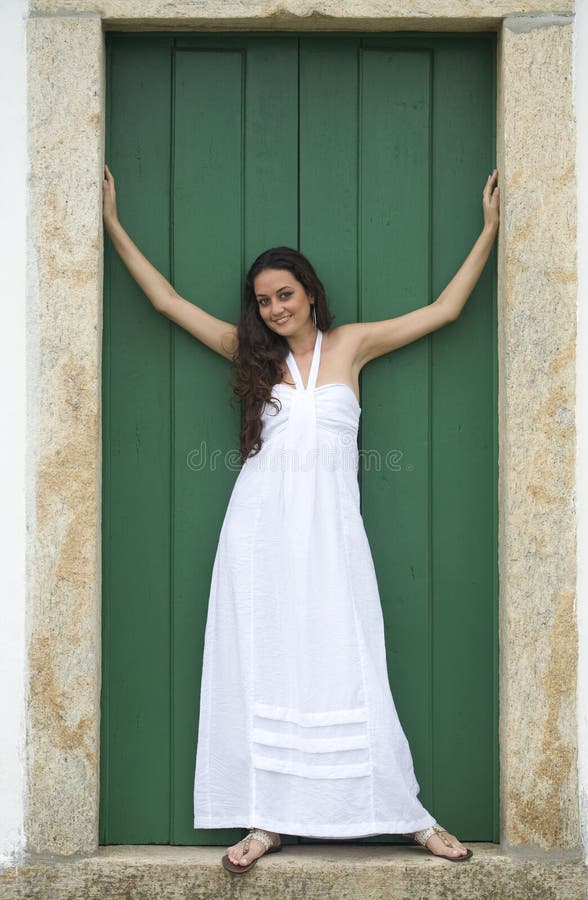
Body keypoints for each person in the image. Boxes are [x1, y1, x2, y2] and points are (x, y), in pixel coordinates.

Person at [102, 164, 499, 872]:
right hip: (260, 534)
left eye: (285, 294)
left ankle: (409, 817)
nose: (275, 308)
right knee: (263, 664)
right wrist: (112, 225)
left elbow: (443, 311)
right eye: (262, 301)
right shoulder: (253, 354)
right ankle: (266, 820)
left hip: (332, 534)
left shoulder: (354, 346)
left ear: (311, 293)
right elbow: (165, 302)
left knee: (352, 661)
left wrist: (491, 229)